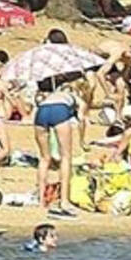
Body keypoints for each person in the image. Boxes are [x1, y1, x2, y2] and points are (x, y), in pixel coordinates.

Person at [32, 81, 86, 219]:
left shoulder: (51, 95)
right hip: (60, 111)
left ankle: (41, 200)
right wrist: (82, 140)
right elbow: (81, 119)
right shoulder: (75, 97)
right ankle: (64, 201)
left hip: (42, 110)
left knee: (44, 158)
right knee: (66, 158)